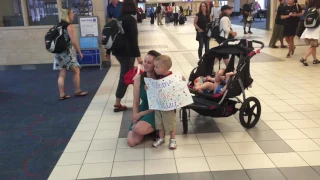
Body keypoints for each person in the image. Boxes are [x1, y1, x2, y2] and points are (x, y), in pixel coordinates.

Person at [106, 0, 143, 112]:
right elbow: (133, 40)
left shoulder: (118, 19)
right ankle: (118, 103)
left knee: (129, 75)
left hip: (117, 52)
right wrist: (138, 56)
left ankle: (139, 97)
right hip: (127, 53)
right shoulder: (130, 20)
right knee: (125, 77)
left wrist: (108, 52)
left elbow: (112, 36)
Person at [127, 50, 161, 147]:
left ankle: (156, 128)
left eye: (149, 63)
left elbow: (160, 104)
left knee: (138, 129)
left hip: (158, 110)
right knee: (131, 141)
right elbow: (136, 102)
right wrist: (135, 118)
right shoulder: (138, 78)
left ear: (156, 65)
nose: (145, 64)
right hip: (145, 107)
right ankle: (147, 128)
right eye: (145, 61)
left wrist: (140, 115)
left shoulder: (161, 79)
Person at [54, 9, 88, 100]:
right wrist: (79, 52)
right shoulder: (69, 26)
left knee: (61, 74)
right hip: (66, 53)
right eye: (72, 13)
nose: (73, 14)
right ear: (68, 15)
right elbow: (73, 41)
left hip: (58, 53)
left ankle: (62, 94)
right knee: (76, 71)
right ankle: (77, 91)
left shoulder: (58, 26)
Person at [152, 55, 177, 149]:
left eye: (156, 67)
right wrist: (149, 87)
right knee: (159, 123)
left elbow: (178, 86)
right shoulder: (158, 76)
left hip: (169, 106)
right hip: (159, 105)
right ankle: (161, 138)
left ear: (164, 68)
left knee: (170, 122)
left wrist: (181, 80)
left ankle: (173, 139)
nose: (154, 68)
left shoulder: (172, 77)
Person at [299, 0, 320, 66]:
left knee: (313, 44)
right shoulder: (318, 9)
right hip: (315, 29)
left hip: (309, 28)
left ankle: (315, 59)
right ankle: (304, 58)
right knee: (314, 45)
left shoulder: (310, 8)